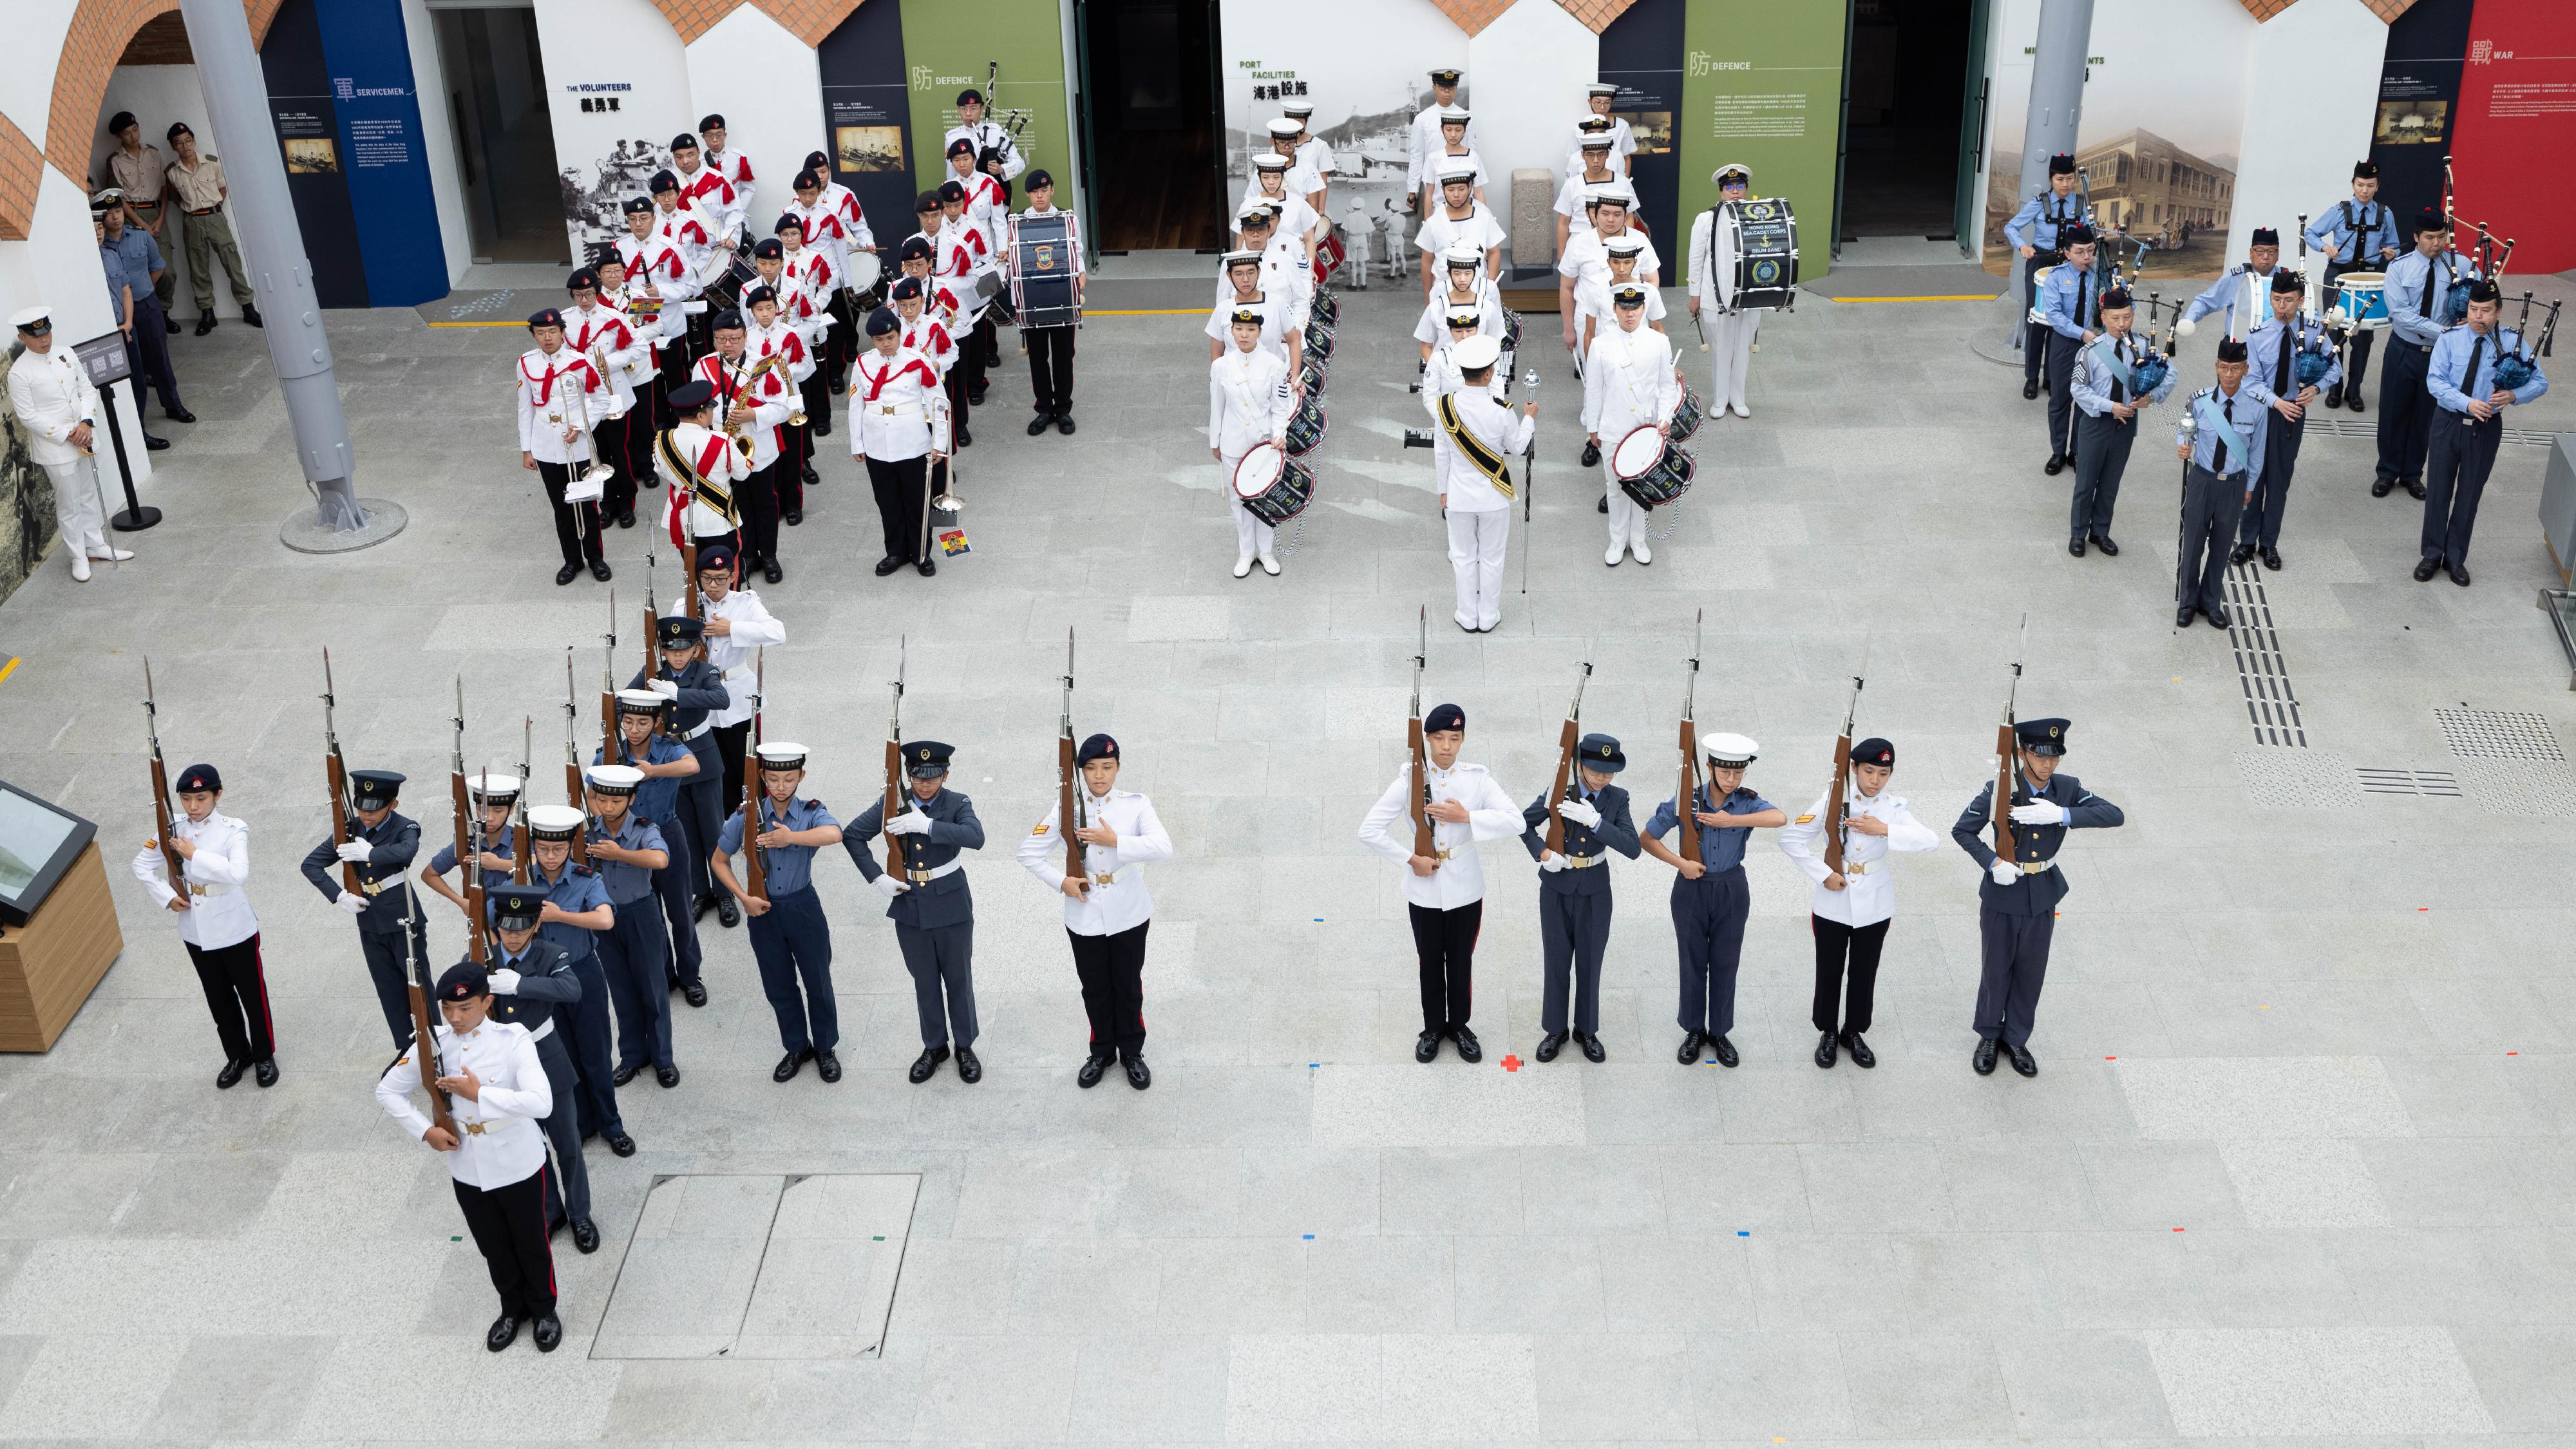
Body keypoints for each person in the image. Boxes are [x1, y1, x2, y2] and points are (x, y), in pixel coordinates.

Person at [376, 963, 561, 1353]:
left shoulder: (513, 1039)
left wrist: (480, 1095)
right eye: (447, 1009)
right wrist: (425, 1130)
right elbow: (387, 1092)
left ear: (488, 1002)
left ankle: (544, 1310)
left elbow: (541, 1102)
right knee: (492, 1245)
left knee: (531, 1242)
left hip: (517, 1160)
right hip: (467, 1166)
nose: (456, 1018)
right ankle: (512, 1308)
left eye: (466, 1008)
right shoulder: (434, 1043)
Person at [1950, 717, 2124, 1076]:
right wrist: (1992, 861)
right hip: (2003, 892)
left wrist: (2062, 814)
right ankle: (1988, 1034)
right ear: (2021, 754)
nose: (2048, 764)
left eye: (2055, 757)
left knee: (2032, 970)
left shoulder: (2067, 788)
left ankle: (2016, 1038)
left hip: (2042, 892)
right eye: (2039, 756)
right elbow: (1962, 830)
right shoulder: (1998, 789)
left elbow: (2114, 815)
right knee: (1996, 969)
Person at [1358, 702, 1520, 1062]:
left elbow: (1517, 821)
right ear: (1428, 739)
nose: (1447, 747)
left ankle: (1459, 1025)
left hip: (1465, 888)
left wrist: (1468, 817)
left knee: (1461, 961)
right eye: (1440, 738)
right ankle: (1433, 1028)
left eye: (1455, 739)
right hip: (1424, 889)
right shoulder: (1409, 780)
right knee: (1430, 961)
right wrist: (1409, 858)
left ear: (1463, 740)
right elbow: (1368, 830)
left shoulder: (1477, 778)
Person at [1017, 732, 1173, 1090]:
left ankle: (1133, 1052)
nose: (1099, 775)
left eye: (1107, 767)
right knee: (1095, 987)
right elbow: (1027, 852)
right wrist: (1062, 882)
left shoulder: (1136, 804)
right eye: (1090, 768)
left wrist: (1115, 841)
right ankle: (1101, 1050)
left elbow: (1164, 848)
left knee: (1129, 986)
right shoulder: (1065, 808)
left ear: (1118, 768)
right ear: (1080, 771)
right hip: (1084, 913)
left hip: (1129, 910)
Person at [1775, 738, 1937, 1068]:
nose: (1875, 780)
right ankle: (1829, 1032)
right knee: (1830, 970)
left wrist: (1886, 829)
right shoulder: (1832, 801)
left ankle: (1854, 1031)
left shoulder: (1893, 808)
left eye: (1883, 773)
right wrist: (1823, 874)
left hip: (1875, 902)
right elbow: (1790, 838)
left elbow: (1931, 840)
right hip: (1834, 900)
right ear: (1853, 769)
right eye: (1868, 771)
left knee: (1865, 971)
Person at [845, 740, 987, 1082]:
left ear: (946, 774)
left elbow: (976, 836)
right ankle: (934, 1045)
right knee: (924, 981)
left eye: (933, 776)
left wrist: (927, 826)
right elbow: (852, 835)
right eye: (918, 776)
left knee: (958, 979)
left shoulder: (957, 802)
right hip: (911, 907)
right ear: (907, 774)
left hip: (951, 904)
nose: (925, 783)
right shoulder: (892, 803)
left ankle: (964, 1045)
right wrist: (877, 877)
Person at [1638, 733, 1783, 1067]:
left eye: (1739, 773)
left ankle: (1719, 1032)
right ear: (1710, 767)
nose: (1732, 780)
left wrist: (1732, 820)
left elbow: (1779, 818)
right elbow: (1647, 838)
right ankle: (1693, 1030)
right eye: (1725, 772)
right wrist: (1681, 863)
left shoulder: (1746, 801)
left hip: (1731, 887)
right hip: (1691, 887)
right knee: (1691, 961)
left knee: (1725, 962)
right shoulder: (1686, 800)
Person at [474, 882, 598, 1253]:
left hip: (546, 1059)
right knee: (531, 1147)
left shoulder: (551, 954)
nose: (512, 938)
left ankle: (580, 1214)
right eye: (505, 929)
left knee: (568, 1145)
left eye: (520, 929)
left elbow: (571, 990)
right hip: (505, 1068)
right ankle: (551, 1211)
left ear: (535, 928)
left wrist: (521, 985)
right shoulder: (482, 957)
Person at [714, 740, 846, 1083]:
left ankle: (826, 1048)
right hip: (762, 911)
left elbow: (835, 834)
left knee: (818, 980)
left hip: (803, 905)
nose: (781, 786)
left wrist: (792, 839)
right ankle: (796, 1046)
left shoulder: (811, 812)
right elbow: (718, 860)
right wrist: (742, 897)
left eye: (789, 778)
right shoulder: (747, 816)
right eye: (773, 779)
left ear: (801, 775)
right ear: (762, 776)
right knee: (779, 985)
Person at [134, 761, 272, 1088]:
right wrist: (166, 896)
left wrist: (194, 854)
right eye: (185, 799)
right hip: (194, 927)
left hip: (233, 924)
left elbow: (238, 873)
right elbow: (141, 864)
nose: (193, 807)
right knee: (218, 997)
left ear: (217, 795)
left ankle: (265, 1055)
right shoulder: (172, 828)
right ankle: (239, 1054)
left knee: (253, 995)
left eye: (201, 799)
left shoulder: (233, 829)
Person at [2418, 278, 2549, 587]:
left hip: (2485, 428)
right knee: (2438, 490)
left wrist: (2514, 396)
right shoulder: (2450, 339)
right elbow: (2435, 382)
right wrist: (2466, 402)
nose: (2478, 317)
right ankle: (2431, 554)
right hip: (2448, 422)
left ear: (2499, 312)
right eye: (2474, 309)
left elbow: (2540, 381)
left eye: (2486, 311)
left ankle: (2455, 558)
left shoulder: (2513, 343)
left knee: (2469, 495)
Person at [1520, 733, 1641, 1064]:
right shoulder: (1561, 791)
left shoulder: (1617, 799)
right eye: (1594, 769)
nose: (1602, 777)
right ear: (1578, 764)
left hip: (1595, 890)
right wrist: (1542, 852)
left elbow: (1633, 848)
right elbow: (1522, 824)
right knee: (1557, 960)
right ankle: (1555, 1028)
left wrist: (1598, 822)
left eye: (1609, 771)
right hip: (1557, 887)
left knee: (1590, 962)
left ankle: (1586, 1029)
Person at [299, 768, 424, 1048]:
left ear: (393, 804)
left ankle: (436, 1047)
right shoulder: (349, 829)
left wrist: (370, 853)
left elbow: (406, 853)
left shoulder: (406, 827)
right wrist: (339, 896)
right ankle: (406, 1049)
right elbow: (310, 864)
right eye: (362, 807)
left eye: (376, 808)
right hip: (368, 919)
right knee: (388, 989)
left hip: (403, 918)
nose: (367, 815)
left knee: (419, 985)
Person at [6, 305, 132, 580]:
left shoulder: (67, 353)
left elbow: (86, 388)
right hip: (57, 447)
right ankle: (79, 555)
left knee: (88, 494)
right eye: (37, 335)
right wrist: (68, 433)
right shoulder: (19, 373)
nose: (45, 339)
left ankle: (96, 545)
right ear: (22, 337)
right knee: (69, 502)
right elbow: (29, 416)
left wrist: (86, 422)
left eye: (47, 331)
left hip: (85, 436)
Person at [598, 688, 703, 1009]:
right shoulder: (611, 752)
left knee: (681, 912)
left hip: (667, 832)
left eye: (642, 722)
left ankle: (690, 976)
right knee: (650, 915)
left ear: (656, 722)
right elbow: (590, 789)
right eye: (628, 722)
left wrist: (653, 771)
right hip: (627, 839)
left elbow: (692, 766)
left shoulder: (667, 748)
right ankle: (665, 973)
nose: (634, 729)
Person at [2233, 269, 2341, 572]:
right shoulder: (2257, 336)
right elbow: (2251, 381)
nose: (2282, 306)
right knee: (2253, 475)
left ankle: (2269, 544)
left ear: (2301, 300)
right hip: (2260, 412)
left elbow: (2335, 369)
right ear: (2270, 300)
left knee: (2279, 480)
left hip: (2292, 414)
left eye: (2289, 300)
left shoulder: (2317, 331)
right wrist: (2275, 401)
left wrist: (2317, 390)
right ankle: (2246, 541)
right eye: (2277, 300)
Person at [631, 615, 732, 929]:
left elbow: (721, 699)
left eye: (684, 649)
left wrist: (676, 694)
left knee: (714, 831)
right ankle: (701, 892)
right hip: (669, 760)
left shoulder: (705, 672)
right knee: (686, 833)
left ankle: (725, 893)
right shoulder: (654, 674)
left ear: (695, 650)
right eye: (671, 649)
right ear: (662, 650)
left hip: (701, 755)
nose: (677, 655)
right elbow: (623, 704)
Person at [1431, 335, 1535, 632]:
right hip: (1494, 498)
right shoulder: (1502, 410)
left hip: (1459, 497)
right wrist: (1529, 419)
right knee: (1492, 558)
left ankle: (1467, 615)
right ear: (1489, 374)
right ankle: (1488, 616)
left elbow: (1441, 452)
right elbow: (1517, 447)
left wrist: (1443, 491)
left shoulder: (1444, 406)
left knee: (1463, 558)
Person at [580, 766, 676, 1089]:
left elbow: (661, 860)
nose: (607, 807)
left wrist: (619, 853)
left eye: (615, 801)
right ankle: (632, 1056)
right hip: (604, 917)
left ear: (631, 799)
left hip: (641, 912)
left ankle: (663, 1058)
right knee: (621, 990)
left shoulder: (643, 829)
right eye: (602, 799)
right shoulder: (589, 831)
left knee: (653, 988)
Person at [2376, 208, 2479, 501]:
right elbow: (2401, 315)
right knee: (2393, 412)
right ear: (2416, 237)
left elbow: (2483, 296)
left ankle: (2412, 474)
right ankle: (2386, 471)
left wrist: (2471, 314)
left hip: (2440, 356)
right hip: (2404, 349)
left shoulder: (2460, 266)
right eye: (2430, 238)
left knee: (2426, 415)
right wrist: (2446, 332)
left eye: (2442, 237)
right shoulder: (2399, 268)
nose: (2437, 244)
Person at [2065, 286, 2174, 558]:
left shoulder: (2142, 348)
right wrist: (2109, 406)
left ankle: (2100, 531)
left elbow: (2170, 374)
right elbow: (2078, 389)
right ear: (2104, 317)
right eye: (2115, 318)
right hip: (2095, 423)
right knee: (2086, 483)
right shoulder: (2090, 352)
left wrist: (2152, 396)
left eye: (2127, 317)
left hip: (2125, 426)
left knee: (2111, 482)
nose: (2122, 324)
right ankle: (2078, 533)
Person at [849, 305, 954, 579]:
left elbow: (939, 404)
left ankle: (922, 553)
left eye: (890, 338)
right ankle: (895, 551)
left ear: (899, 334)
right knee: (887, 502)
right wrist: (857, 443)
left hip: (913, 442)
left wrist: (940, 443)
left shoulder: (917, 361)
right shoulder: (863, 363)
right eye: (880, 340)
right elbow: (855, 404)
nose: (886, 345)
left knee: (918, 501)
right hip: (877, 445)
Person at [1583, 283, 1681, 567]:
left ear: (1644, 308)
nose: (1630, 314)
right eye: (1624, 308)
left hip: (1646, 429)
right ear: (1615, 310)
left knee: (1642, 487)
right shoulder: (1601, 345)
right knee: (1614, 488)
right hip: (1613, 427)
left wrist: (1665, 419)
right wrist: (1593, 428)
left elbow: (1666, 387)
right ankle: (1616, 539)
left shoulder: (1658, 342)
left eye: (1635, 308)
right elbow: (1595, 391)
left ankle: (1638, 539)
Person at [692, 308, 793, 583]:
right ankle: (747, 554)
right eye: (722, 339)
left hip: (757, 445)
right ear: (713, 339)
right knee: (738, 506)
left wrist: (754, 415)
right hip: (722, 449)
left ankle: (770, 556)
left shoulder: (763, 365)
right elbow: (696, 410)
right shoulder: (703, 367)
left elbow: (784, 407)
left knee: (765, 504)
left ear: (745, 337)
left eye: (735, 339)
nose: (729, 345)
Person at [2173, 338, 2266, 629]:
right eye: (2224, 367)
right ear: (2216, 366)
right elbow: (2184, 428)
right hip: (2202, 479)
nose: (2229, 374)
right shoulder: (2199, 401)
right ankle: (2187, 602)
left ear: (2245, 370)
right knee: (2193, 545)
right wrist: (2182, 445)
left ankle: (2210, 601)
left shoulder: (2257, 408)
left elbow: (2257, 452)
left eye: (2235, 368)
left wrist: (2250, 487)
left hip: (2234, 484)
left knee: (2222, 546)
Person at [516, 308, 612, 585]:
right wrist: (527, 449)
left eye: (552, 332)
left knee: (587, 505)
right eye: (541, 333)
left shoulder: (580, 361)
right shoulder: (526, 363)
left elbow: (603, 402)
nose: (547, 338)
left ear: (562, 332)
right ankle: (572, 560)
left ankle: (595, 558)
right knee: (561, 508)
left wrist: (581, 428)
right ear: (534, 336)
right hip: (546, 444)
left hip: (579, 443)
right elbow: (525, 409)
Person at [1210, 305, 1296, 578]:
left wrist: (1279, 434)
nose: (1244, 335)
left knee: (1265, 498)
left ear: (1259, 332)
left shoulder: (1274, 363)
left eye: (1250, 329)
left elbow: (1281, 406)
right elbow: (1217, 407)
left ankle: (1266, 551)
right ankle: (1246, 552)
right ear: (1232, 332)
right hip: (1234, 443)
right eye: (1239, 329)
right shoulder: (1221, 366)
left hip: (1264, 445)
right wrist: (1216, 441)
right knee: (1239, 501)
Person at [2305, 160, 2397, 411]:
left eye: (2370, 185)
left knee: (2363, 337)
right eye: (2360, 185)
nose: (2364, 190)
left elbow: (2395, 246)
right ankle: (2334, 388)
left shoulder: (2385, 214)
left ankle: (2354, 391)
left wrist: (2391, 253)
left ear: (2377, 186)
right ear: (2353, 185)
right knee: (2335, 333)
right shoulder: (2339, 211)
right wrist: (2325, 247)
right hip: (2339, 277)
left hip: (2369, 279)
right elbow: (2311, 233)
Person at [564, 269, 651, 531]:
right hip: (585, 399)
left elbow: (641, 347)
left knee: (619, 452)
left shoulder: (613, 318)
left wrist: (605, 364)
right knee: (595, 451)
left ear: (597, 292)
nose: (584, 300)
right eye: (578, 295)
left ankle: (626, 503)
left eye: (588, 294)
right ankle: (607, 504)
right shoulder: (565, 321)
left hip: (613, 394)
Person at [96, 191, 190, 427]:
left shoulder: (141, 237)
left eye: (119, 211)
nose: (116, 218)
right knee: (132, 365)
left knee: (159, 356)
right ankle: (137, 421)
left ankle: (173, 405)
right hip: (116, 313)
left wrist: (145, 287)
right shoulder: (99, 245)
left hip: (146, 304)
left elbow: (158, 267)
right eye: (109, 214)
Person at [160, 123, 261, 334]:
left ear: (194, 141)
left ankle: (248, 308)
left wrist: (215, 207)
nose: (185, 146)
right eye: (179, 143)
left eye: (188, 141)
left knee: (232, 263)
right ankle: (208, 314)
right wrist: (190, 209)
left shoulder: (212, 163)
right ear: (173, 147)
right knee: (198, 270)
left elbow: (222, 187)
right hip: (192, 221)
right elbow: (174, 197)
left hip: (215, 219)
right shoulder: (172, 172)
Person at [2003, 153, 2085, 399]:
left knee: (2061, 321)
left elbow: (2088, 235)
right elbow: (2011, 227)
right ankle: (2031, 378)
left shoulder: (2080, 205)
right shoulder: (2039, 204)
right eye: (2060, 179)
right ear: (2051, 179)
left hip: (2068, 267)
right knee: (2038, 320)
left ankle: (2052, 376)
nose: (2066, 184)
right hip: (2040, 263)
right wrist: (2022, 246)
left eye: (2070, 179)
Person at [1683, 164, 1761, 421]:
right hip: (1714, 296)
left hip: (1747, 297)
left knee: (1742, 346)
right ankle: (1719, 399)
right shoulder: (1706, 220)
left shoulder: (1757, 218)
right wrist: (1694, 295)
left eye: (1740, 187)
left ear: (1747, 189)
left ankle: (1737, 398)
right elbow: (1695, 260)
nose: (1735, 192)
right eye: (1730, 187)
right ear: (1721, 191)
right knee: (1720, 347)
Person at [1557, 186, 1658, 379]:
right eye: (1605, 213)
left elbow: (1652, 279)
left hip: (1632, 318)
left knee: (1634, 378)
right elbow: (1567, 287)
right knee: (1594, 378)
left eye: (1617, 214)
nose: (1610, 220)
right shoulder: (1578, 243)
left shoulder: (1640, 240)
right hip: (1589, 320)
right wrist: (1569, 328)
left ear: (1625, 215)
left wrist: (1644, 313)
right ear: (1594, 214)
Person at [741, 277, 817, 516]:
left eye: (770, 308)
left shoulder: (791, 333)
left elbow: (808, 365)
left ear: (777, 308)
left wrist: (785, 373)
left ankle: (793, 503)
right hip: (762, 405)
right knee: (769, 456)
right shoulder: (747, 337)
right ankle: (772, 503)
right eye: (760, 309)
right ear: (752, 312)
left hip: (788, 403)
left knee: (792, 456)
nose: (765, 314)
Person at [1016, 169, 1084, 435]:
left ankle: (1064, 409)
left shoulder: (1067, 218)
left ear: (1052, 190)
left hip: (1061, 296)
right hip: (1033, 298)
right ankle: (1044, 409)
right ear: (1028, 194)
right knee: (1038, 357)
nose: (1040, 196)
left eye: (1044, 190)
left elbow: (1075, 250)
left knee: (1064, 354)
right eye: (1035, 192)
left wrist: (1080, 276)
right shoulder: (1019, 221)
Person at [656, 379, 749, 565]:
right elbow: (743, 474)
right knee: (727, 578)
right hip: (718, 520)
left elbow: (661, 470)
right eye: (710, 409)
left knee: (694, 578)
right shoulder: (722, 441)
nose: (712, 412)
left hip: (684, 521)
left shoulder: (661, 440)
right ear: (700, 416)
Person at [2037, 224, 2102, 474]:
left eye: (2091, 251)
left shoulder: (2103, 275)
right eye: (2080, 252)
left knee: (2086, 400)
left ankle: (2077, 451)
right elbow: (2054, 316)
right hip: (2066, 344)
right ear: (2067, 253)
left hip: (2096, 345)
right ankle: (2057, 452)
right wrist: (2081, 333)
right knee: (2060, 400)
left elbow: (2124, 307)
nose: (2087, 257)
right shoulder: (2056, 277)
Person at [101, 113, 175, 323]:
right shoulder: (114, 160)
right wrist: (142, 224)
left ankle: (164, 311)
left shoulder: (153, 153)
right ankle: (146, 309)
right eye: (126, 133)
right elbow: (118, 198)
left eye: (135, 130)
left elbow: (164, 189)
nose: (133, 136)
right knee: (138, 269)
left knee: (167, 271)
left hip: (157, 214)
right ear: (119, 136)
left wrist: (160, 219)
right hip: (132, 216)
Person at [2181, 225, 2287, 342]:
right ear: (2251, 253)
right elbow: (2207, 302)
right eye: (2260, 251)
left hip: (2273, 347)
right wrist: (2189, 319)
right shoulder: (2237, 278)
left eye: (2271, 251)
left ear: (2278, 254)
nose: (2266, 257)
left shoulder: (2286, 279)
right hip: (2238, 347)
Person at [1414, 163, 1503, 298]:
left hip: (1478, 293)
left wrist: (1489, 287)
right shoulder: (1433, 223)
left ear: (1470, 187)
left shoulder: (1484, 217)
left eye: (1461, 189)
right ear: (1443, 189)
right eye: (1450, 190)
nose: (1456, 195)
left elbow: (1494, 252)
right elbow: (1426, 263)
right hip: (1443, 294)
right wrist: (1428, 298)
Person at [1407, 70, 1475, 217]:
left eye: (1451, 87)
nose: (1447, 91)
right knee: (1430, 228)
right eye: (1442, 87)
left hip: (1459, 183)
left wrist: (1473, 188)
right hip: (1431, 183)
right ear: (1434, 87)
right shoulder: (1422, 119)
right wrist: (1412, 190)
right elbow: (1417, 156)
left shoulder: (1466, 117)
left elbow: (1472, 152)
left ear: (1456, 88)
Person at [1556, 135, 1624, 257]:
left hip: (1612, 248)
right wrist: (1561, 254)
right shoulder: (1572, 185)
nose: (1596, 160)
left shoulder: (1622, 183)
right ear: (1583, 155)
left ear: (1608, 154)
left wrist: (1623, 246)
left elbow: (1628, 217)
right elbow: (1563, 222)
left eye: (1601, 154)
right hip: (1578, 248)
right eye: (1590, 155)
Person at [947, 89, 1027, 187]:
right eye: (963, 109)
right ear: (958, 110)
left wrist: (1001, 169)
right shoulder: (952, 137)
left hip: (993, 192)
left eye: (973, 108)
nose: (968, 113)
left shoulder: (995, 132)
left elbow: (1019, 163)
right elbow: (951, 170)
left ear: (982, 109)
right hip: (965, 194)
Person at [698, 115, 755, 222]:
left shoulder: (739, 157)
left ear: (725, 135)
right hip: (713, 220)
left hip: (738, 216)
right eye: (710, 136)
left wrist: (739, 209)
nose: (715, 140)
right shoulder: (701, 163)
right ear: (703, 137)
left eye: (719, 135)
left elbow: (749, 188)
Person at [1582, 84, 1636, 175]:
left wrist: (1626, 182)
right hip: (1588, 179)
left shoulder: (1622, 126)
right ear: (1589, 102)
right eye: (1597, 102)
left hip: (1615, 178)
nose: (1602, 107)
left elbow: (1627, 158)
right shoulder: (1581, 128)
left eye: (1607, 103)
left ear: (1612, 102)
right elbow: (1576, 157)